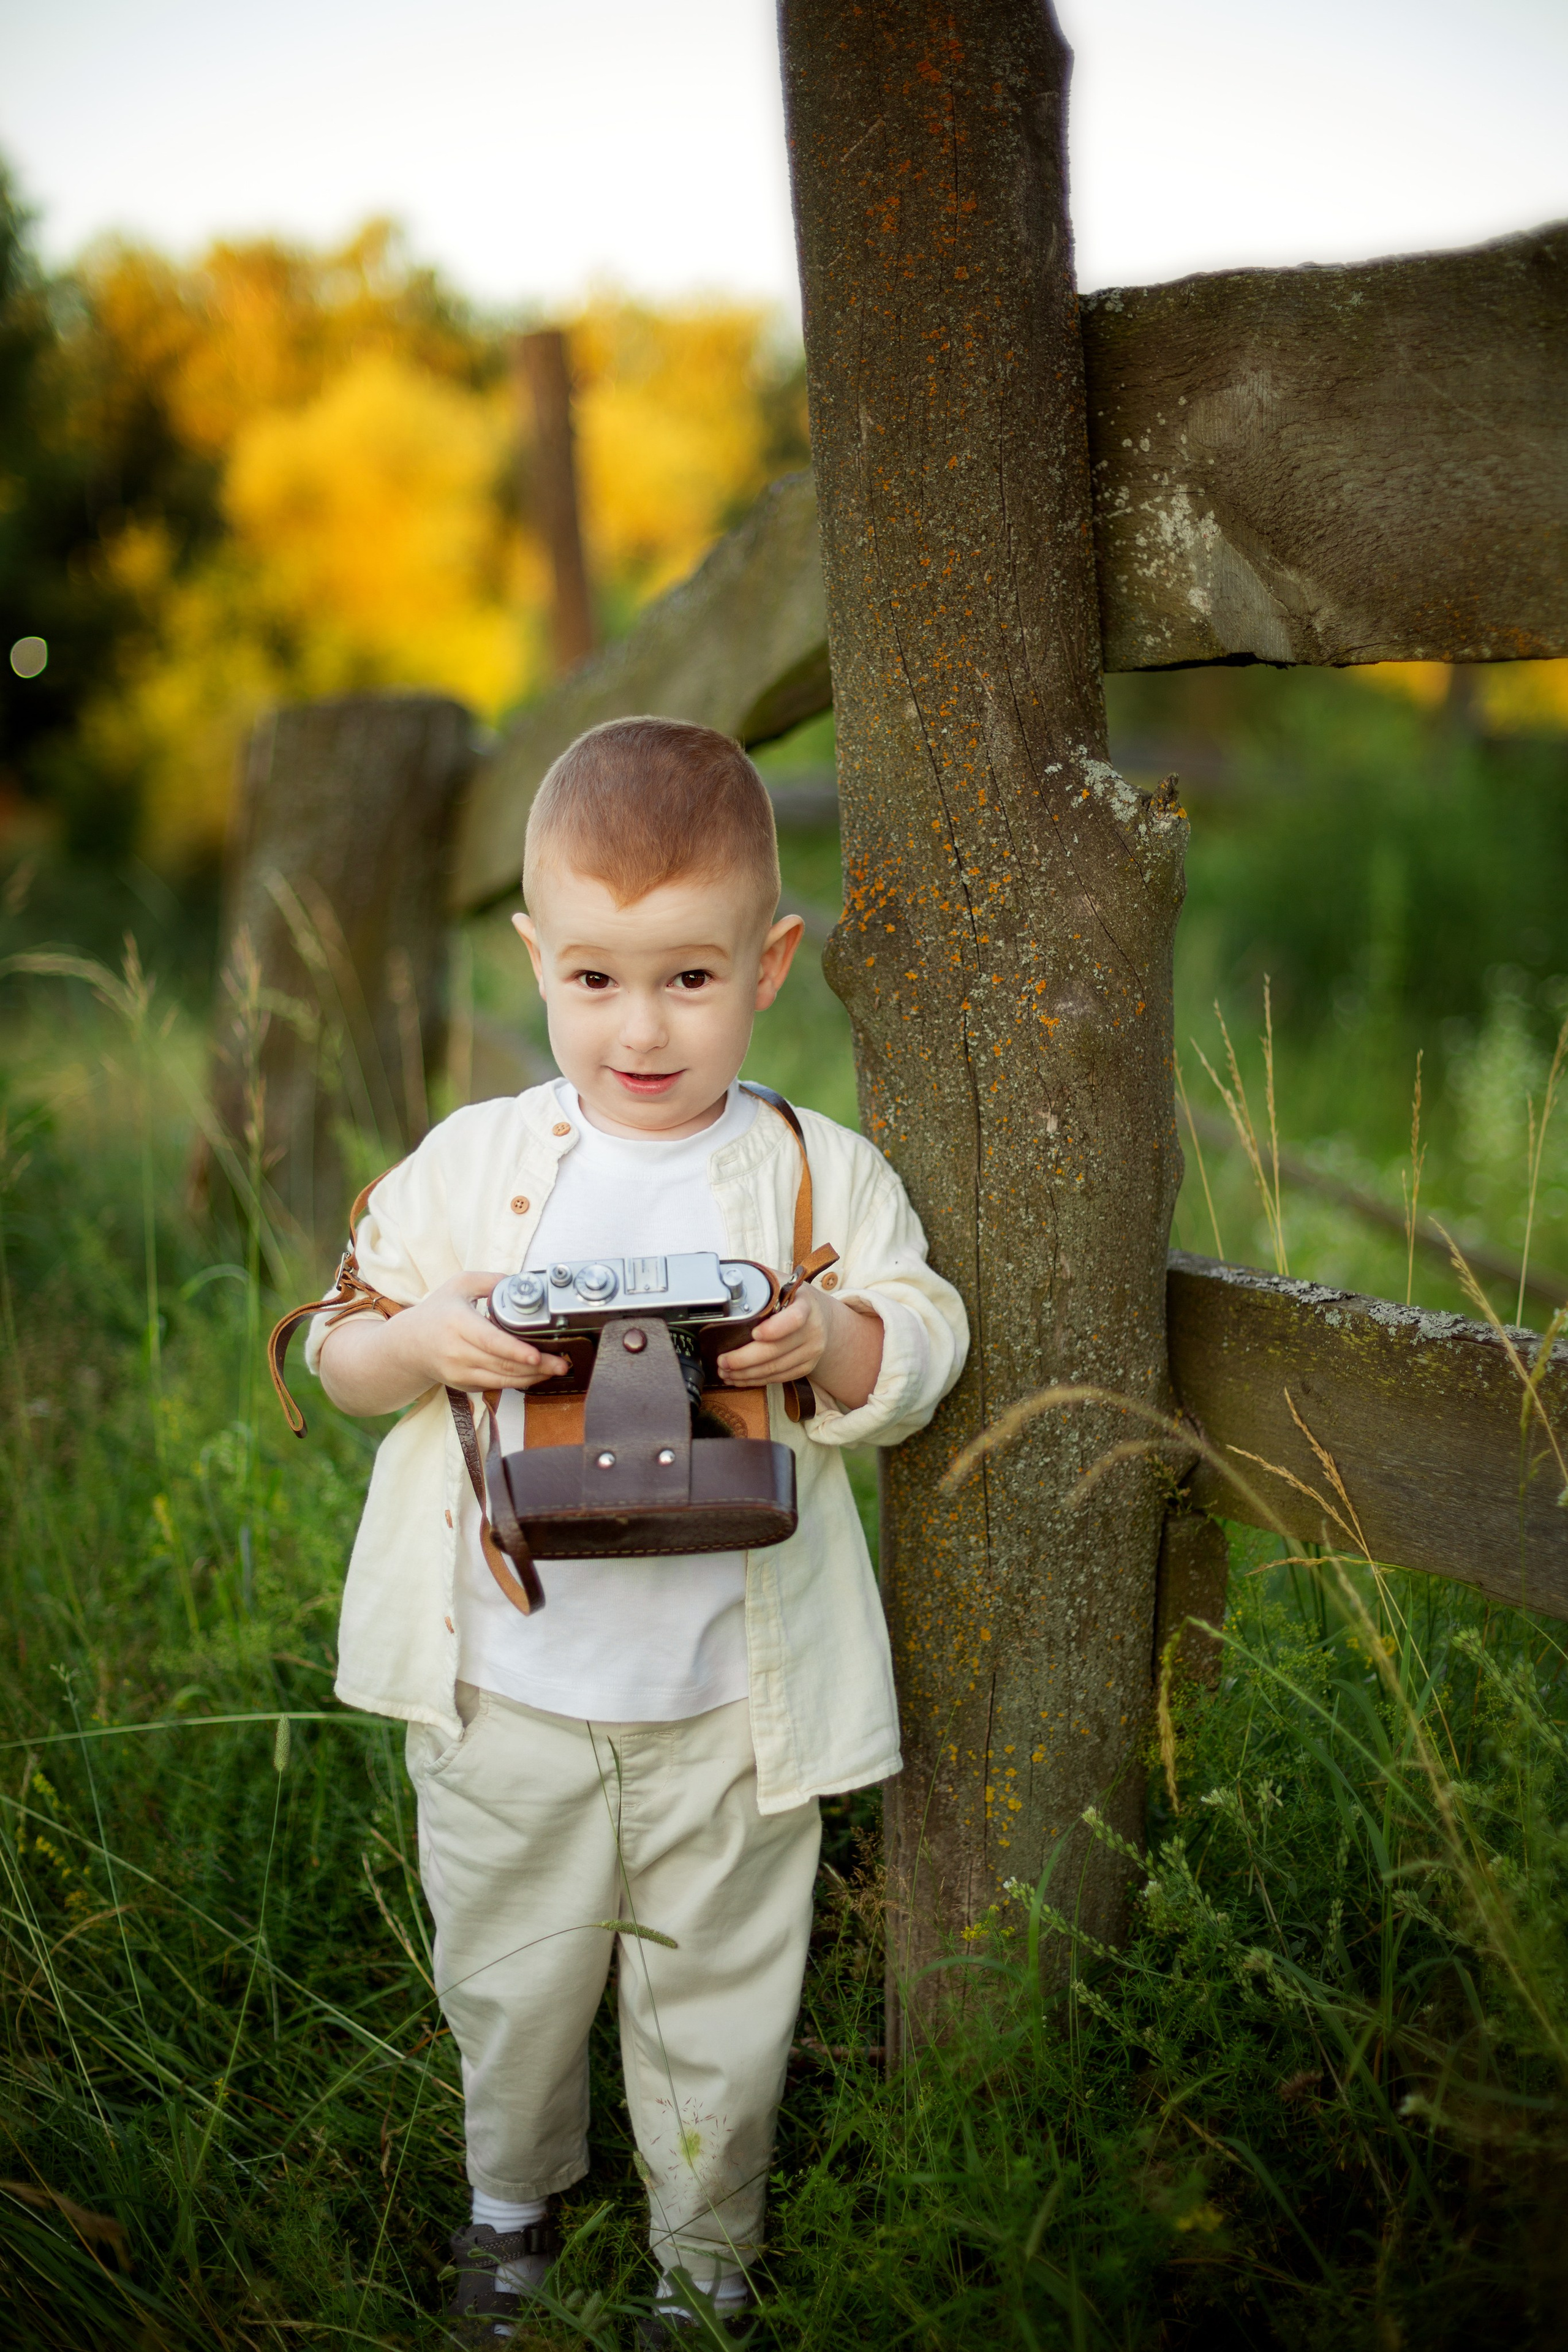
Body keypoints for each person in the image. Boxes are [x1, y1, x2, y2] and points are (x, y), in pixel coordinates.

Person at [309, 716, 968, 2343]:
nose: (641, 1026)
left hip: (731, 1715)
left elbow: (923, 1339)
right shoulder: (473, 1170)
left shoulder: (819, 1179)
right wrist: (425, 1341)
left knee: (724, 1998)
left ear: (772, 962)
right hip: (506, 1696)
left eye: (689, 975)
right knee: (510, 1981)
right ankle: (508, 2210)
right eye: (594, 979)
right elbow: (336, 1344)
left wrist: (829, 1345)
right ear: (536, 960)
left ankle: (704, 2265)